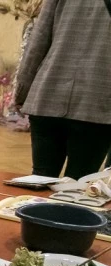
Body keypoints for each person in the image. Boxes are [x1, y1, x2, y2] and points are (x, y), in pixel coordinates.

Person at [13, 0, 111, 181]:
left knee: (40, 179)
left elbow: (38, 41)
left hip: (47, 96)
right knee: (78, 186)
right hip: (97, 105)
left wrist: (22, 91)